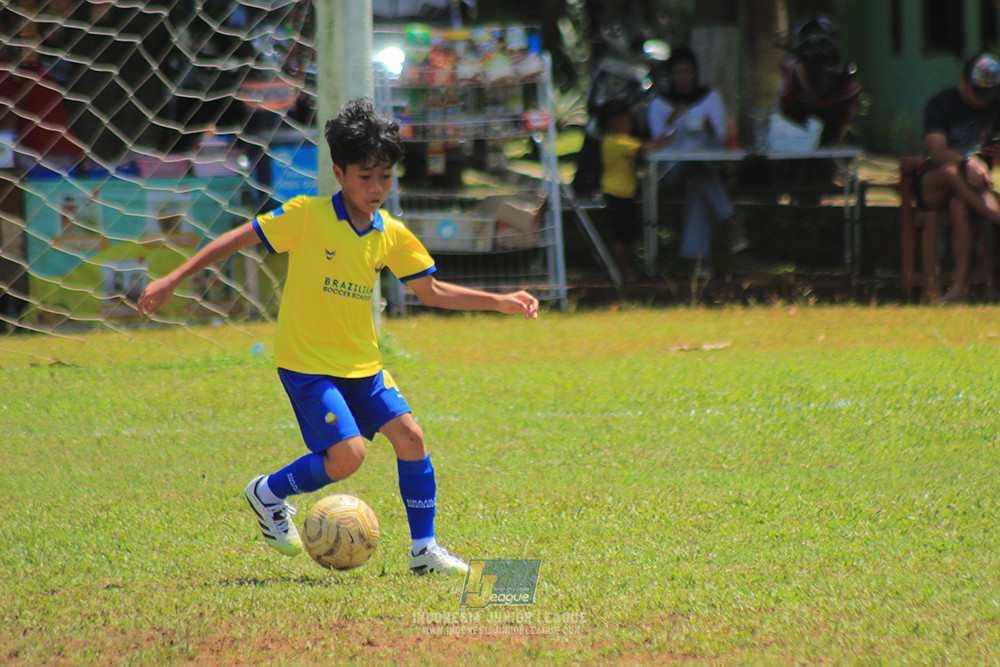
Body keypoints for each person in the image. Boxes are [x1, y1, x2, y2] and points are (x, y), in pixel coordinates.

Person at [137, 97, 539, 575]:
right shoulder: (307, 215)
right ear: (339, 172)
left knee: (410, 437)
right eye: (365, 176)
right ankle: (267, 493)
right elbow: (237, 238)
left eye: (384, 177)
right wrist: (172, 279)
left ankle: (424, 551)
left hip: (362, 366)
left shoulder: (390, 232)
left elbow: (430, 290)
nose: (376, 188)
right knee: (348, 456)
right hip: (309, 365)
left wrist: (496, 302)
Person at [646, 46, 746, 279]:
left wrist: (711, 131)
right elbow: (657, 145)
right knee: (695, 169)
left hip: (704, 166)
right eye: (678, 72)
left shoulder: (710, 98)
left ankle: (700, 262)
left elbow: (722, 142)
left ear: (695, 73)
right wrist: (671, 121)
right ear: (671, 75)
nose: (683, 78)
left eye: (687, 72)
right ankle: (729, 221)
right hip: (669, 169)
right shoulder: (660, 103)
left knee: (697, 179)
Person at [912, 53, 1000, 302]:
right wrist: (967, 161)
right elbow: (937, 152)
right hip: (934, 182)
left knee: (959, 206)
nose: (982, 101)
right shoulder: (941, 104)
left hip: (973, 190)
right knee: (952, 173)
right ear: (963, 81)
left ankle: (958, 288)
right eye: (977, 93)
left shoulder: (996, 104)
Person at [598, 98, 670, 281]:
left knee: (626, 233)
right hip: (617, 194)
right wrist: (667, 136)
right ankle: (620, 269)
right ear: (615, 123)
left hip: (622, 194)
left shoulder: (612, 141)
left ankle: (624, 268)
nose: (630, 124)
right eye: (627, 120)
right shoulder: (617, 141)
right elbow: (646, 148)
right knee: (621, 236)